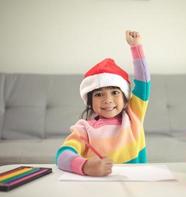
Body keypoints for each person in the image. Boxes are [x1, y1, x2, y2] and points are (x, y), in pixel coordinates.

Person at [56, 30, 150, 176]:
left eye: (115, 92)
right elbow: (62, 156)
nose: (108, 100)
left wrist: (136, 47)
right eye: (99, 94)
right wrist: (85, 166)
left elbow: (143, 82)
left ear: (125, 97)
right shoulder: (84, 129)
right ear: (90, 101)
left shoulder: (134, 115)